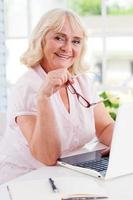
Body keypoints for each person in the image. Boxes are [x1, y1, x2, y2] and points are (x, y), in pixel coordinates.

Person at [0, 8, 114, 184]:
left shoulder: (82, 81)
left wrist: (121, 145)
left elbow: (105, 127)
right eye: (59, 38)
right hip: (25, 181)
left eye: (76, 41)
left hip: (69, 176)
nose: (67, 48)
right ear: (41, 40)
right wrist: (44, 98)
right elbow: (47, 156)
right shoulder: (26, 87)